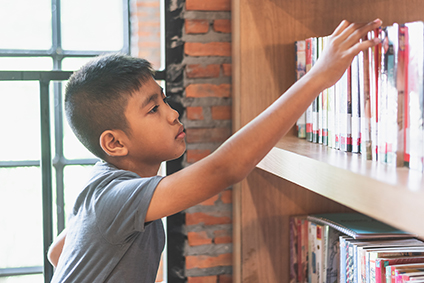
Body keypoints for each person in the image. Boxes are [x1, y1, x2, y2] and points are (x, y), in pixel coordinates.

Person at [48, 19, 382, 282]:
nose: (172, 113)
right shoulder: (115, 197)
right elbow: (223, 169)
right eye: (153, 109)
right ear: (115, 143)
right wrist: (318, 77)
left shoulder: (102, 185)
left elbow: (57, 252)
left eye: (163, 98)